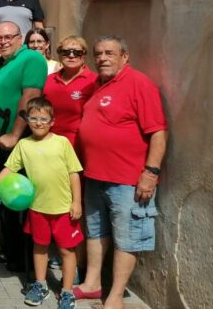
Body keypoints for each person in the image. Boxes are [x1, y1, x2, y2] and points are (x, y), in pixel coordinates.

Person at [74, 37, 168, 308]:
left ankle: (116, 296)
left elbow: (158, 132)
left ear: (124, 56)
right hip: (95, 176)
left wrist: (150, 173)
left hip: (127, 181)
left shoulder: (139, 84)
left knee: (127, 238)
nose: (102, 58)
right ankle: (92, 284)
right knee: (95, 232)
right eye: (98, 54)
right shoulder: (97, 85)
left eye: (109, 53)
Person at [0, 97, 83, 309]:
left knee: (67, 251)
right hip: (38, 208)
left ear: (52, 121)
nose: (38, 122)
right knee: (39, 247)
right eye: (33, 118)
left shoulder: (62, 143)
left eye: (44, 119)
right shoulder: (24, 145)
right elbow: (10, 168)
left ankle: (67, 291)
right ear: (27, 120)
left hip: (63, 209)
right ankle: (40, 285)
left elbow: (74, 174)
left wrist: (76, 202)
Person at [0, 21, 48, 272]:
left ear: (20, 37)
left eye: (8, 37)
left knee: (18, 203)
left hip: (17, 144)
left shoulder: (31, 58)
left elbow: (31, 96)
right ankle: (12, 252)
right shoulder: (6, 62)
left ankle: (25, 263)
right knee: (8, 203)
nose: (2, 41)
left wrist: (14, 134)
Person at [43, 36, 98, 152]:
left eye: (77, 52)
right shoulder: (48, 80)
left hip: (79, 148)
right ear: (59, 54)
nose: (71, 55)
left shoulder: (95, 81)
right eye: (66, 52)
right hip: (49, 145)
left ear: (83, 55)